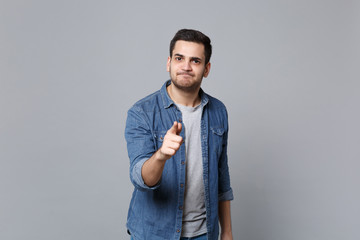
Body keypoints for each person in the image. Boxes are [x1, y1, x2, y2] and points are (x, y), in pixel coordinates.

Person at [125, 29, 233, 240]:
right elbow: (141, 178)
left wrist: (227, 232)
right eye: (179, 58)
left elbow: (222, 177)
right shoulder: (142, 112)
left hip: (204, 233)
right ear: (169, 63)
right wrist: (161, 156)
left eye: (195, 61)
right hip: (154, 234)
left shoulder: (218, 111)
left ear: (206, 69)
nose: (186, 66)